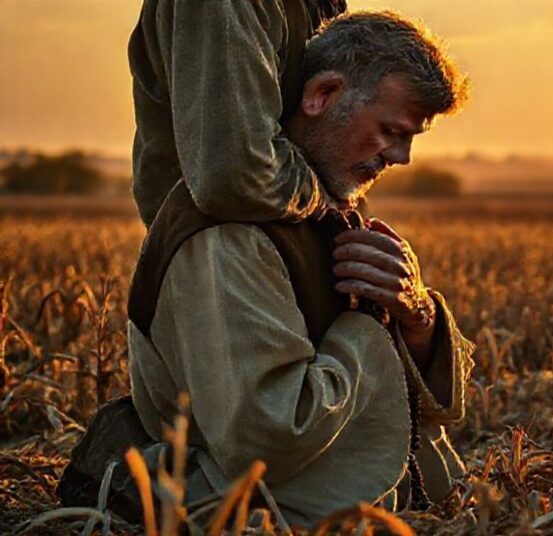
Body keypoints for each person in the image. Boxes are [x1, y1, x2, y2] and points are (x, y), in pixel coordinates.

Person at [59, 12, 474, 528]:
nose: (402, 157)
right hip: (280, 514)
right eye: (390, 131)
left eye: (410, 137)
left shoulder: (331, 207)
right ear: (321, 94)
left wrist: (415, 315)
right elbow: (268, 439)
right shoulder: (227, 239)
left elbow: (427, 416)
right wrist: (367, 324)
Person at [128, 0, 346, 226]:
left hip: (271, 246)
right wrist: (326, 204)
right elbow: (235, 176)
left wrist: (357, 230)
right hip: (219, 246)